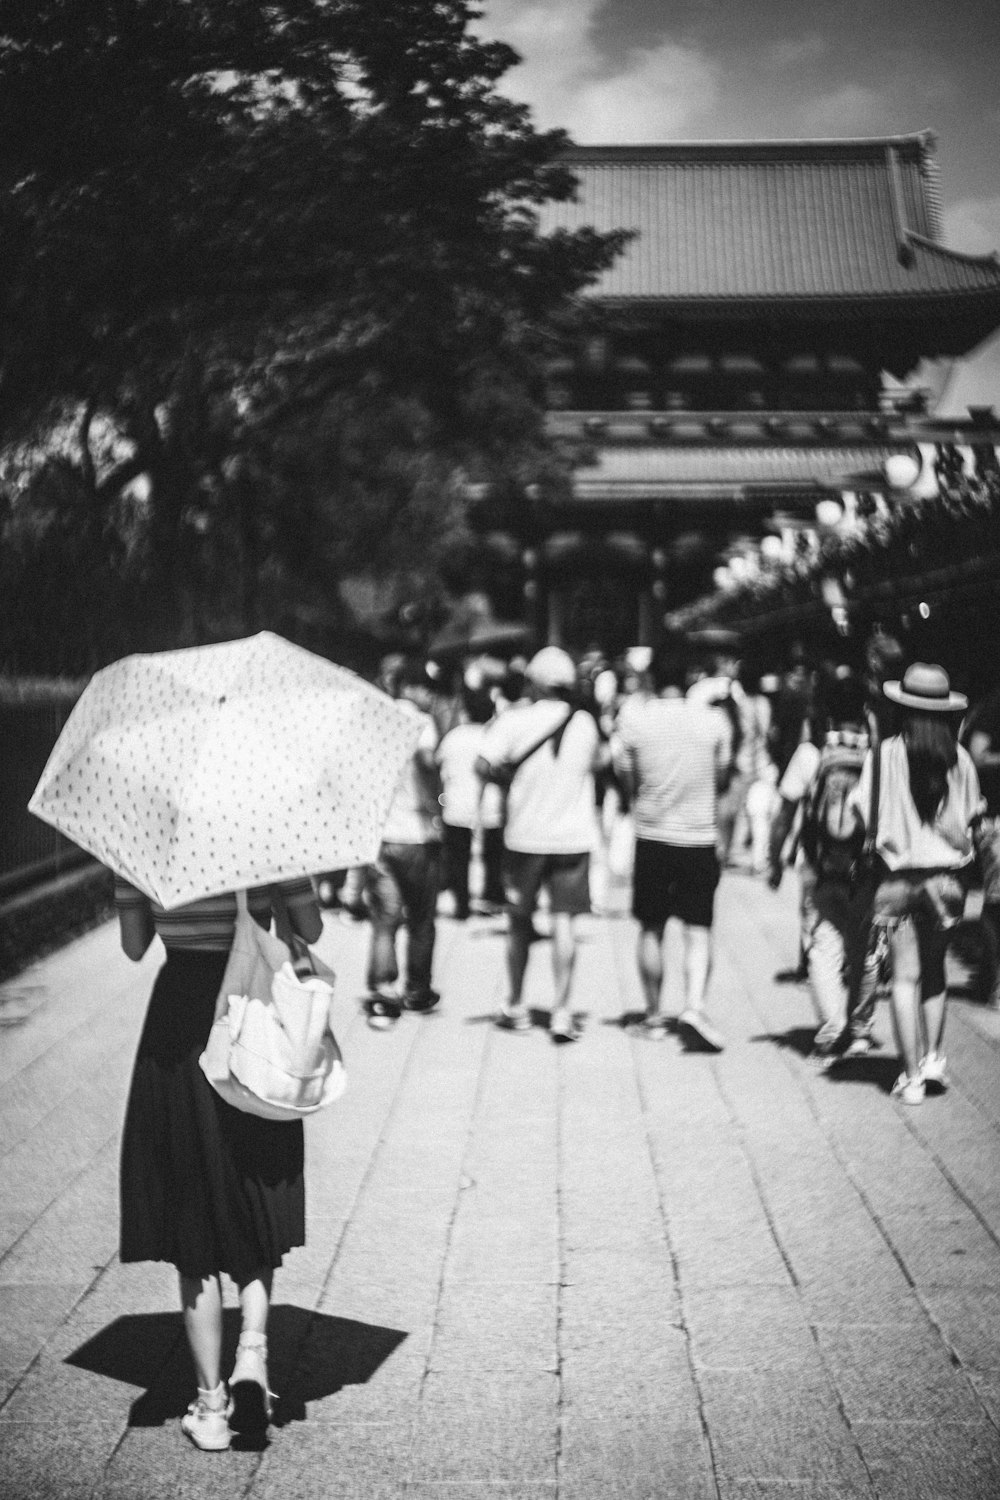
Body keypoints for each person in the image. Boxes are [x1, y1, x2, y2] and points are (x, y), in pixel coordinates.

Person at [115, 876, 323, 1450]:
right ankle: (251, 1352)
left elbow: (135, 946)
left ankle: (210, 1406)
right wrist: (281, 890)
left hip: (180, 1019)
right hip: (249, 1013)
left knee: (192, 1197)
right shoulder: (268, 835)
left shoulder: (145, 843)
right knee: (252, 1181)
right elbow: (312, 930)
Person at [851, 663, 984, 1105]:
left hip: (896, 880)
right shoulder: (960, 759)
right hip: (946, 882)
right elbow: (971, 821)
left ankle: (910, 1079)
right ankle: (934, 1060)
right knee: (935, 974)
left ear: (903, 707)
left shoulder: (885, 754)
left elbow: (861, 814)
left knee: (903, 979)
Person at [477, 645, 601, 1042]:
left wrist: (505, 778)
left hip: (524, 837)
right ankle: (562, 1010)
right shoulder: (585, 724)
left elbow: (481, 763)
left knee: (519, 923)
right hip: (572, 837)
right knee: (565, 922)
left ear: (533, 682)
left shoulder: (514, 721)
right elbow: (598, 764)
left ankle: (515, 1003)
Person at [614, 637, 733, 1049]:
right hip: (699, 836)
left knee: (651, 927)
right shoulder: (714, 722)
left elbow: (626, 778)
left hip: (653, 834)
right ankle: (695, 1006)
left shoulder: (634, 721)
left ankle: (653, 1015)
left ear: (651, 678)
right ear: (690, 679)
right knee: (699, 928)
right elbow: (721, 776)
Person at [767, 668, 877, 1067]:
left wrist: (774, 859)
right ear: (866, 710)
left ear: (825, 712)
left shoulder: (812, 753)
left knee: (823, 947)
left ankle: (831, 1026)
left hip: (820, 865)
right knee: (864, 949)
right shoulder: (879, 755)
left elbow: (785, 811)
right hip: (866, 868)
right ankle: (861, 1032)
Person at [364, 657, 443, 1029]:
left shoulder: (377, 718)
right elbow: (428, 761)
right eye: (425, 688)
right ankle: (416, 990)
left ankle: (383, 991)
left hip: (379, 837)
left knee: (384, 921)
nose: (429, 696)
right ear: (411, 688)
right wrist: (436, 793)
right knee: (421, 919)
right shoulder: (421, 724)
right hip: (416, 835)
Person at [435, 686, 504, 919]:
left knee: (458, 858)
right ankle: (491, 898)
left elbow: (437, 763)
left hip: (456, 806)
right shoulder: (493, 737)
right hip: (491, 807)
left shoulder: (453, 737)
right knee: (492, 858)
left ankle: (462, 904)